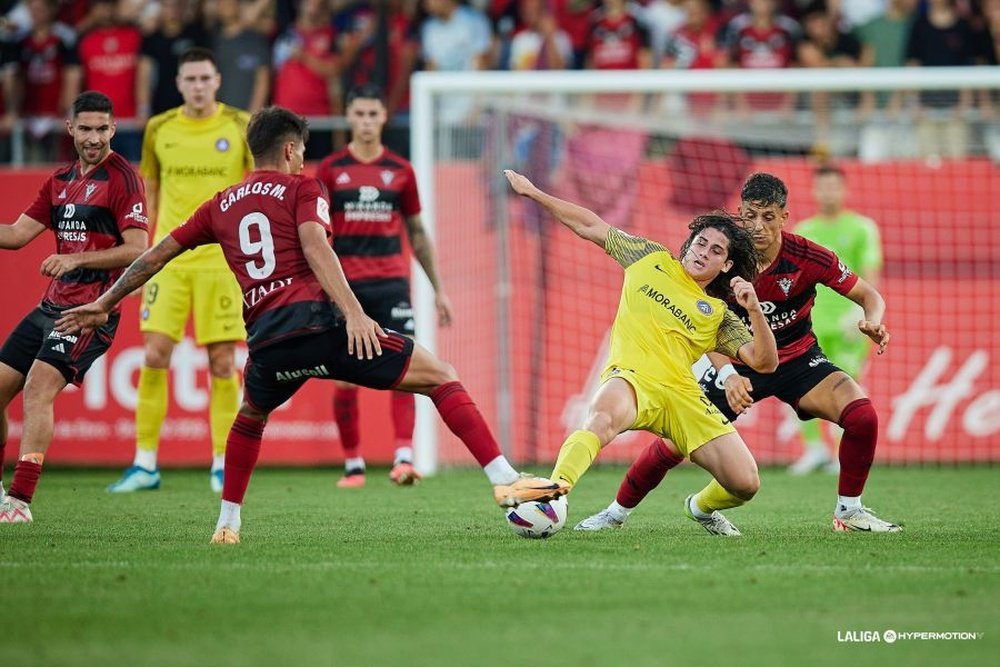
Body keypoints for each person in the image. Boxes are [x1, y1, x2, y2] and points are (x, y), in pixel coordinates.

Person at [56, 106, 563, 544]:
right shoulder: (303, 186)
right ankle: (505, 479)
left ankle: (227, 523)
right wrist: (355, 312)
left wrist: (105, 302)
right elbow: (316, 245)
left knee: (250, 418)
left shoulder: (217, 206)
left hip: (268, 344)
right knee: (441, 375)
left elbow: (153, 257)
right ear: (292, 149)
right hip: (318, 324)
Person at [576, 172, 900, 534]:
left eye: (768, 217)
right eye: (749, 216)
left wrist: (873, 321)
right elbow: (705, 330)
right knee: (671, 445)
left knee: (862, 416)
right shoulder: (721, 260)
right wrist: (728, 375)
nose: (757, 226)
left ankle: (849, 512)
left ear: (784, 217)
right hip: (737, 365)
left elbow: (870, 295)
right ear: (740, 213)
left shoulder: (808, 256)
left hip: (799, 359)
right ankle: (615, 513)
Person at [504, 169, 779, 537]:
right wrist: (535, 193)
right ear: (689, 243)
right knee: (600, 419)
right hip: (632, 379)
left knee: (746, 483)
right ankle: (554, 494)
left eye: (716, 251)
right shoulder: (648, 257)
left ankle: (700, 507)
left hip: (683, 397)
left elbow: (764, 361)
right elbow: (591, 225)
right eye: (700, 242)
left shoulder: (717, 314)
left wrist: (756, 310)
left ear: (726, 265)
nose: (703, 252)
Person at [106, 47, 252, 495]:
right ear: (179, 83)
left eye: (205, 78)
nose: (198, 86)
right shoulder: (159, 128)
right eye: (190, 79)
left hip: (222, 261)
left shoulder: (240, 126)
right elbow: (148, 188)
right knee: (154, 355)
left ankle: (223, 463)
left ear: (217, 81)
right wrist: (141, 254)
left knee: (224, 362)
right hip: (168, 259)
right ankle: (145, 463)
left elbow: (251, 190)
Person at [0, 91, 148, 523]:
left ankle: (20, 501)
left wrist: (75, 258)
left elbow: (137, 249)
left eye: (102, 128)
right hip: (51, 305)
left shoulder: (124, 180)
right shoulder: (60, 179)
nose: (94, 137)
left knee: (38, 386)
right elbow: (14, 235)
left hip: (91, 310)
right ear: (70, 129)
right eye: (85, 128)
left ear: (114, 129)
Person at [316, 84, 453, 488]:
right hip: (346, 287)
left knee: (406, 366)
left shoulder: (401, 170)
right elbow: (318, 234)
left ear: (384, 118)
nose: (366, 122)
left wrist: (438, 289)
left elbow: (417, 232)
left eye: (373, 114)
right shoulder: (330, 169)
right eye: (359, 114)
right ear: (349, 116)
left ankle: (403, 458)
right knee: (344, 375)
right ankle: (353, 464)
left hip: (392, 284)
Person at [789, 164, 882, 474]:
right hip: (810, 325)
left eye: (833, 186)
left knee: (847, 386)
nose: (828, 192)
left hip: (848, 325)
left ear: (845, 190)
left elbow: (870, 274)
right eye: (822, 186)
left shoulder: (862, 228)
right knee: (800, 388)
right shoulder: (803, 231)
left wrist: (861, 312)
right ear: (814, 191)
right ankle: (814, 449)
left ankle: (846, 453)